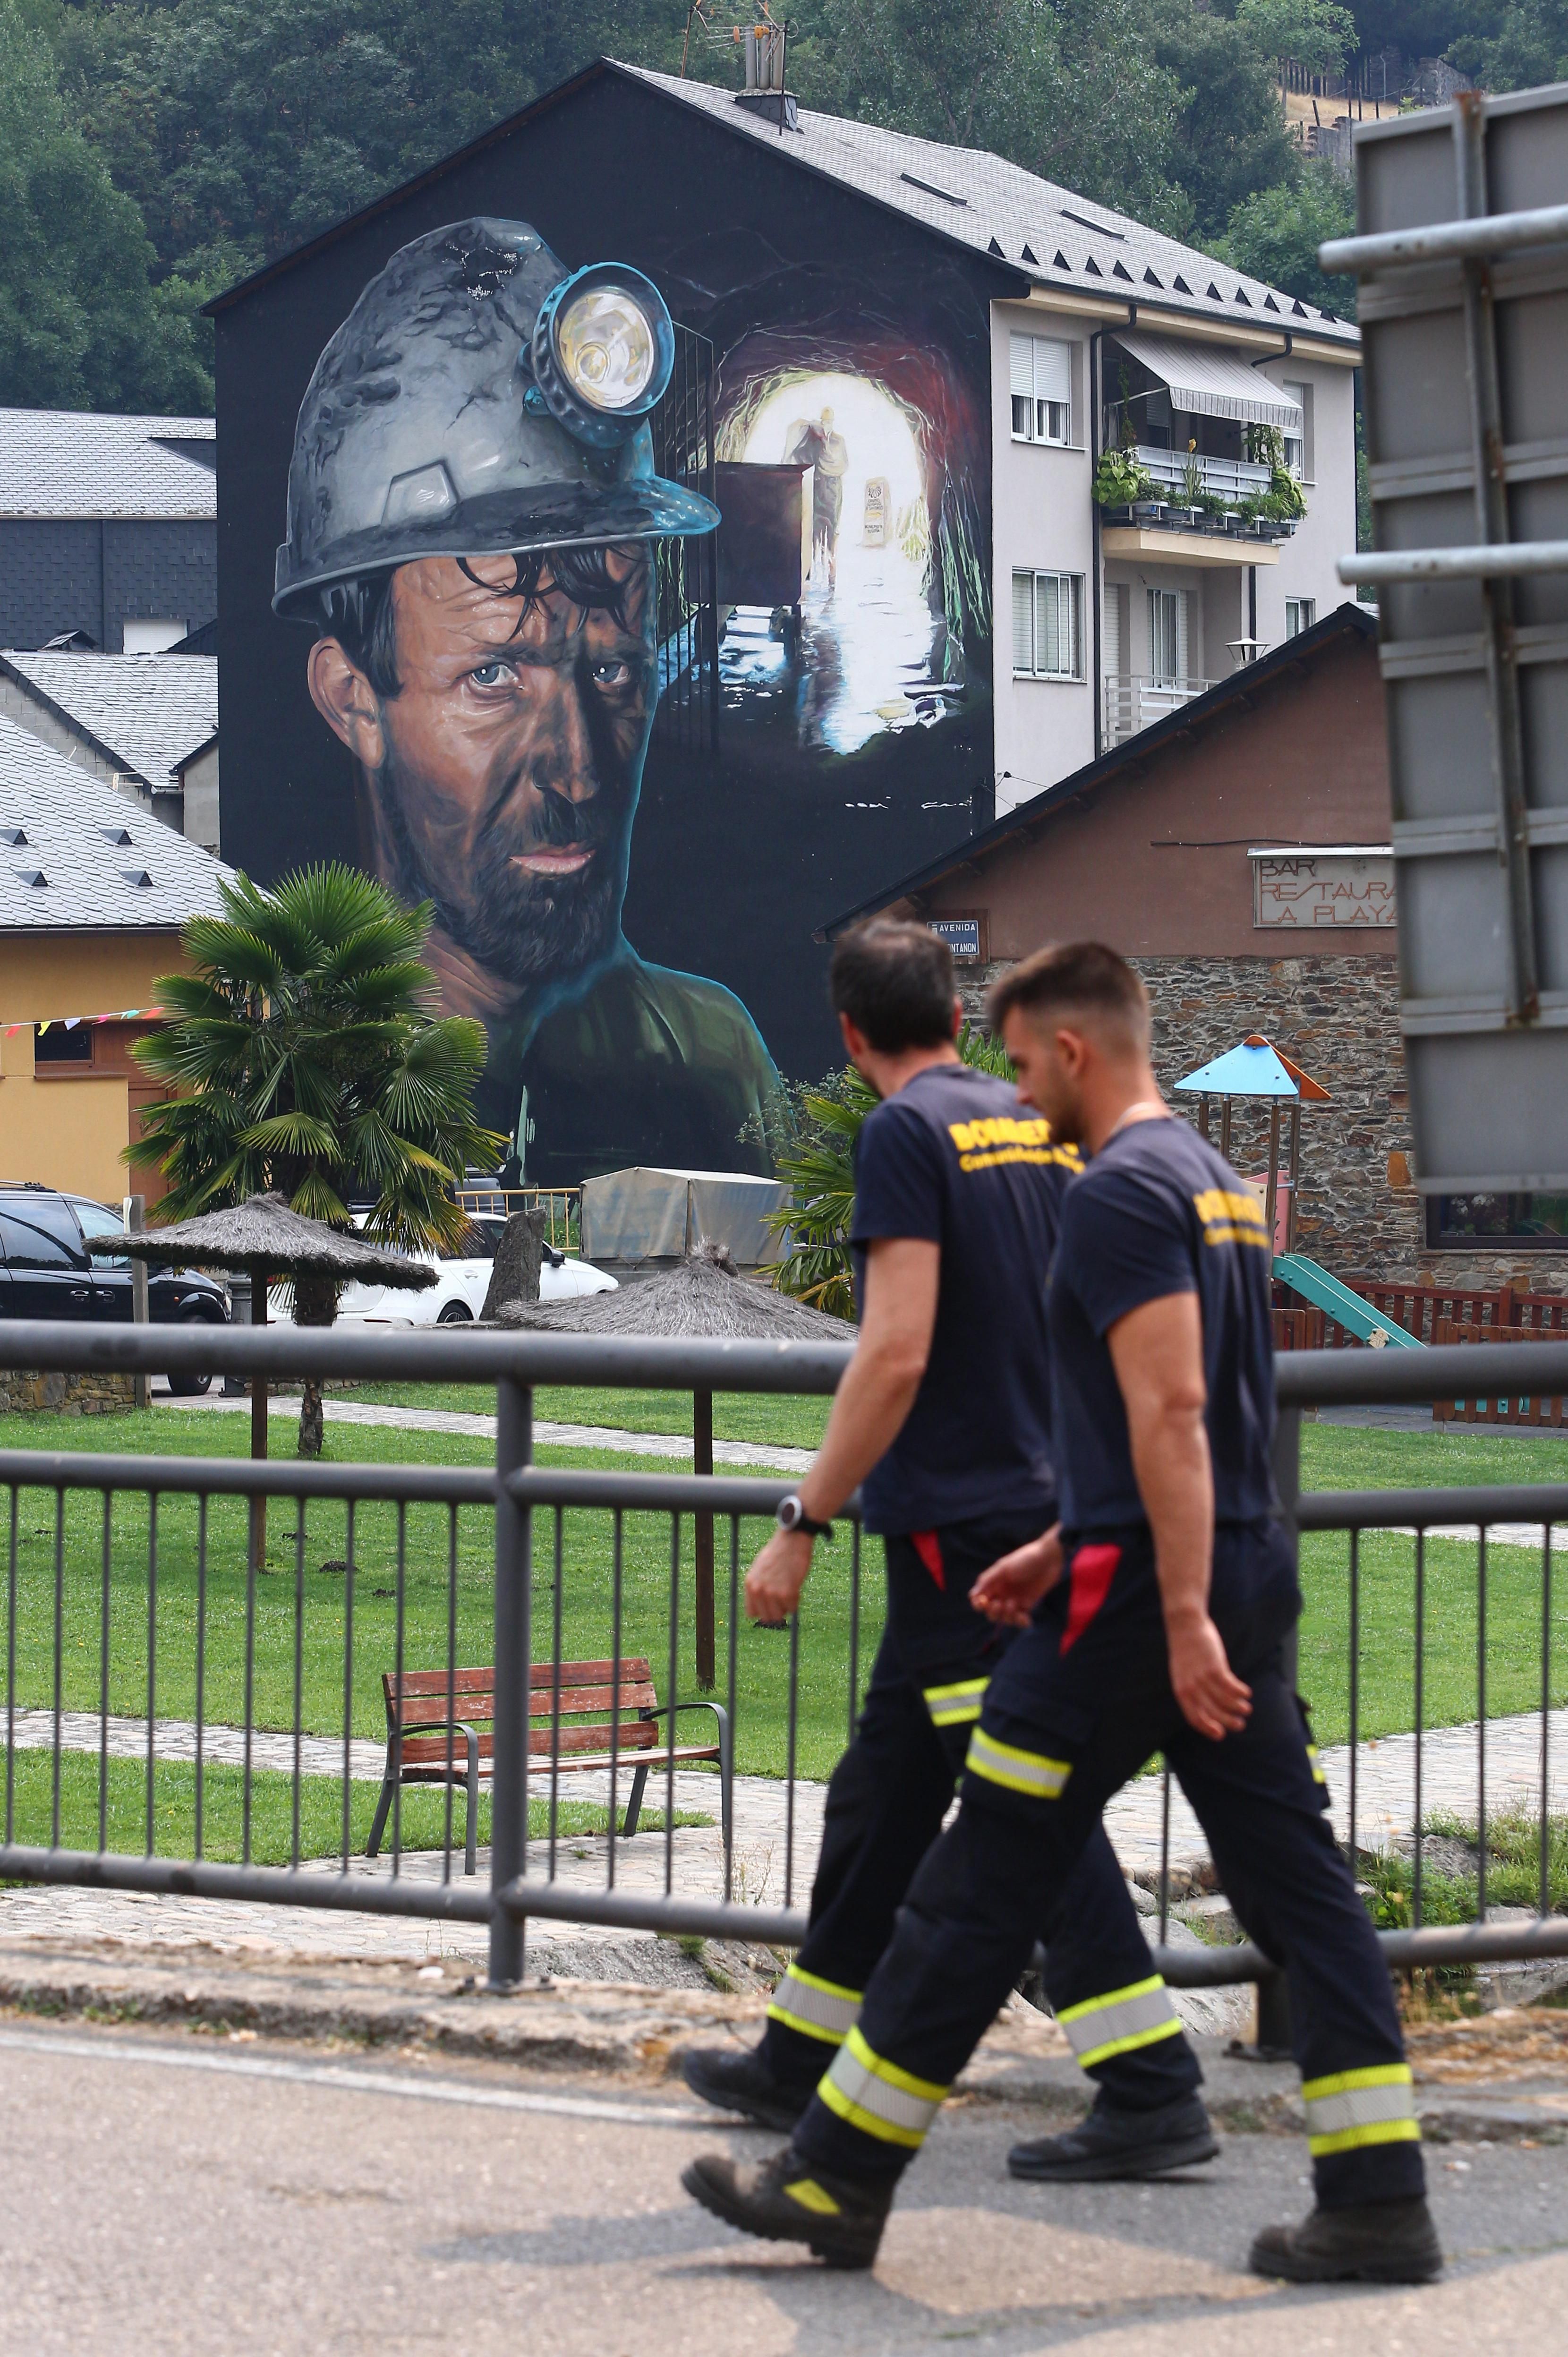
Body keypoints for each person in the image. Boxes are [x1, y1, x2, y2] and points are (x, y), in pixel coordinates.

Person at [682, 940, 1442, 2285]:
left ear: (1076, 1051)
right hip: (1199, 1577)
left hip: (1136, 1612)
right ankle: (1379, 2195)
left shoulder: (1118, 1196)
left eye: (1028, 1064)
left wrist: (1174, 1606)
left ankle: (843, 2174)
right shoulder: (1213, 1182)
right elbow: (1171, 1408)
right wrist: (1059, 1539)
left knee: (980, 1883)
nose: (1018, 1091)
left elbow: (1173, 1410)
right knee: (1303, 1894)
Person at [679, 919, 1216, 2186]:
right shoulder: (1025, 1120)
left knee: (1026, 1815)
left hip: (955, 1535)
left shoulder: (904, 1133)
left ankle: (1150, 2080)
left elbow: (897, 1346)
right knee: (879, 1798)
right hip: (1021, 1502)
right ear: (964, 1016)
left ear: (850, 1032)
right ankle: (799, 2057)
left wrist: (803, 1519)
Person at [274, 217, 781, 1182]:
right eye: (495, 677)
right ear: (353, 701)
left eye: (612, 670)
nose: (580, 765)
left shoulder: (708, 1060)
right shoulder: (294, 1065)